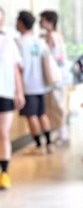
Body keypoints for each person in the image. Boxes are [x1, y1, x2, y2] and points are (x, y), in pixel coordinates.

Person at [15, 10, 53, 154]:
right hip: (41, 84)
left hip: (27, 85)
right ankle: (49, 143)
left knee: (31, 116)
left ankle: (38, 146)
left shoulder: (19, 43)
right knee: (41, 114)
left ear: (21, 23)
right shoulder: (40, 41)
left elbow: (19, 65)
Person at [0, 6, 25, 188]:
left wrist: (19, 91)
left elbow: (15, 68)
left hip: (5, 92)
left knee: (3, 133)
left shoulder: (9, 41)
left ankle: (4, 173)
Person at [39, 9, 70, 144]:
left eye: (42, 20)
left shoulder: (51, 36)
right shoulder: (57, 35)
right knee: (57, 103)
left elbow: (51, 55)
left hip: (56, 75)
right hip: (60, 74)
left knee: (57, 104)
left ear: (49, 22)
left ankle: (63, 133)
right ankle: (61, 132)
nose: (40, 22)